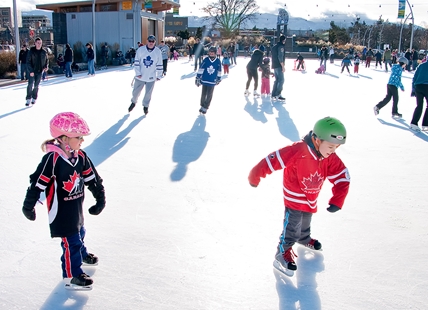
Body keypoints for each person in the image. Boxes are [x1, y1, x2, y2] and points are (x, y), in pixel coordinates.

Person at [248, 117, 350, 276]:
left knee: (306, 219)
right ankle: (282, 252)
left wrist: (338, 199)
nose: (332, 150)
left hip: (311, 197)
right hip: (294, 198)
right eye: (330, 146)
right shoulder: (297, 151)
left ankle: (303, 238)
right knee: (292, 226)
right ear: (317, 140)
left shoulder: (329, 157)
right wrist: (255, 176)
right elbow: (272, 160)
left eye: (336, 147)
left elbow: (343, 176)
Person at [22, 112, 105, 290]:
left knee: (80, 233)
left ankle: (81, 254)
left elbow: (93, 178)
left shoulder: (80, 156)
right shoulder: (52, 159)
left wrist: (100, 198)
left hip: (76, 208)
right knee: (71, 242)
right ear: (65, 138)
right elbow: (37, 182)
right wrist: (29, 205)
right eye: (79, 137)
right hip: (61, 212)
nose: (82, 140)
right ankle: (71, 275)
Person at [128, 35, 163, 115]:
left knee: (148, 93)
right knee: (136, 92)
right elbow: (136, 62)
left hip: (151, 76)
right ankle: (133, 102)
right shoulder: (141, 50)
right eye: (149, 41)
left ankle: (146, 106)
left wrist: (159, 75)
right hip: (140, 76)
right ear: (147, 41)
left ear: (154, 42)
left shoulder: (158, 51)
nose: (151, 43)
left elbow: (159, 64)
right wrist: (138, 73)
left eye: (152, 41)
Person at [195, 46, 222, 114]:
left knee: (209, 95)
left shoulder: (218, 61)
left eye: (213, 52)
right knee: (203, 94)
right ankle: (202, 105)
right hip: (204, 80)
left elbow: (219, 70)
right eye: (210, 52)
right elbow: (201, 69)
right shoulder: (206, 60)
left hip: (212, 81)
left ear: (215, 53)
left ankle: (206, 107)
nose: (211, 53)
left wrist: (218, 78)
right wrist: (198, 78)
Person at [25, 37, 48, 106]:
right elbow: (28, 62)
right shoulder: (31, 51)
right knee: (30, 84)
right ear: (35, 43)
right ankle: (28, 98)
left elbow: (46, 61)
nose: (39, 44)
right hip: (32, 71)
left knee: (36, 85)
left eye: (40, 43)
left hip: (39, 71)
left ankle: (34, 98)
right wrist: (31, 71)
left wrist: (46, 67)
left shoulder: (44, 52)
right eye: (38, 43)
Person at [409, 60, 428, 131]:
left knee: (419, 105)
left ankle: (414, 123)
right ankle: (425, 124)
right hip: (427, 86)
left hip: (418, 86)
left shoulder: (421, 65)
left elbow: (415, 77)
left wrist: (413, 89)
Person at [271, 35, 286, 102]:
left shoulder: (274, 47)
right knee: (281, 80)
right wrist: (283, 66)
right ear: (283, 40)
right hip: (279, 65)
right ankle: (278, 94)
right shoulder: (281, 47)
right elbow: (280, 57)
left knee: (277, 80)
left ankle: (273, 94)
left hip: (274, 64)